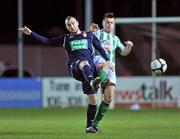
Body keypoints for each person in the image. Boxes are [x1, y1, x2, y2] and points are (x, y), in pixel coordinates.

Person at [19, 16, 114, 133]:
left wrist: (108, 60)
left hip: (88, 70)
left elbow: (99, 48)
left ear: (77, 23)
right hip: (75, 67)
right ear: (66, 27)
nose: (72, 26)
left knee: (93, 100)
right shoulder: (66, 39)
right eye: (69, 25)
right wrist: (31, 33)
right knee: (84, 63)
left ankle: (89, 126)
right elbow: (48, 42)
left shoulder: (89, 35)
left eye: (73, 23)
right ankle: (93, 81)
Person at [89, 13, 134, 130]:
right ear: (103, 23)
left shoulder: (115, 39)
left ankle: (95, 125)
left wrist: (129, 46)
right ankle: (103, 81)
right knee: (103, 63)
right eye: (107, 22)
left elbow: (123, 52)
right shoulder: (97, 33)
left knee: (108, 98)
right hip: (98, 62)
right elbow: (85, 38)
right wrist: (90, 30)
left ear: (114, 24)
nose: (109, 24)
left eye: (111, 22)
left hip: (111, 68)